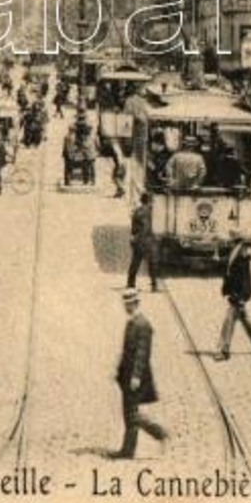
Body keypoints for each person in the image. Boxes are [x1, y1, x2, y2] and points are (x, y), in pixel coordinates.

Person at [112, 289, 167, 460]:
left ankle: (159, 432)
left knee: (132, 414)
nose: (125, 306)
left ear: (134, 303)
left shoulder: (143, 325)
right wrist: (118, 369)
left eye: (128, 303)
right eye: (125, 303)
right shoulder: (132, 323)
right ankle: (128, 450)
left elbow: (142, 353)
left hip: (137, 377)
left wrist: (136, 376)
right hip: (127, 375)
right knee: (128, 411)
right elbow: (126, 350)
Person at [215, 239, 251, 360]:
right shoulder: (235, 255)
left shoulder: (242, 262)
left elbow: (246, 284)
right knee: (244, 319)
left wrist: (240, 298)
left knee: (228, 321)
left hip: (237, 297)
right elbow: (227, 267)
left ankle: (224, 351)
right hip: (236, 296)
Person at [126, 192, 159, 292]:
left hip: (137, 239)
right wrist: (148, 238)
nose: (152, 203)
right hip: (145, 240)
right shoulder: (147, 211)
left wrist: (135, 238)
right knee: (152, 262)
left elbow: (133, 228)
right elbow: (146, 227)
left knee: (135, 262)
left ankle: (130, 283)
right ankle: (154, 286)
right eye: (151, 201)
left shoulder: (137, 211)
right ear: (148, 201)